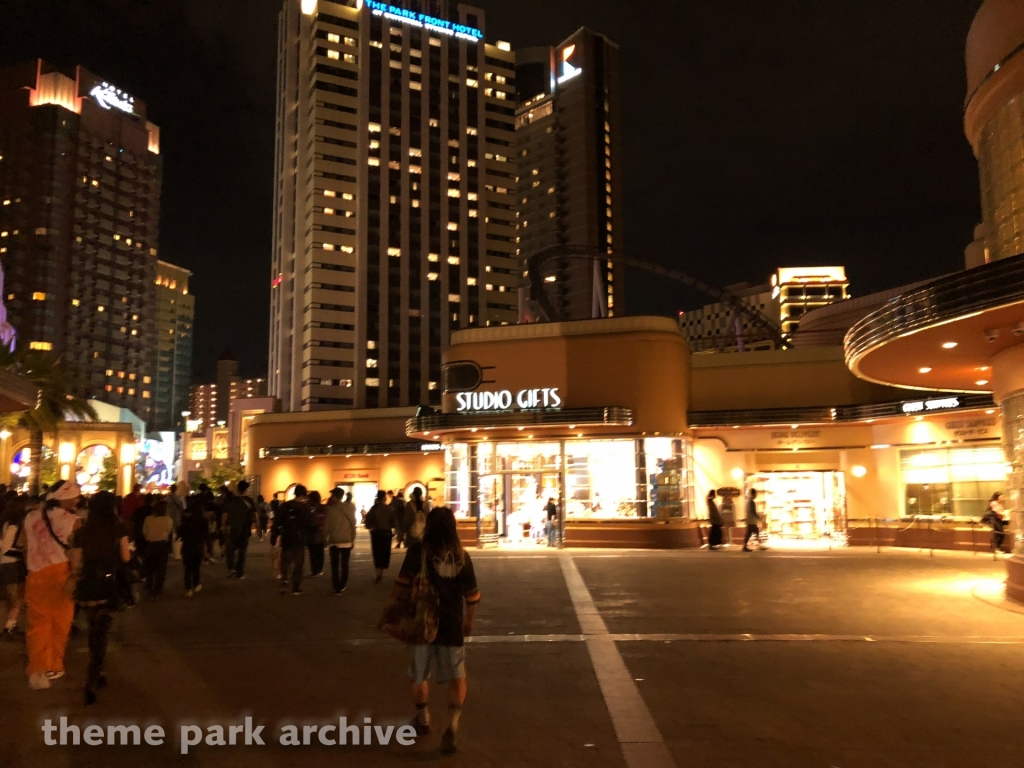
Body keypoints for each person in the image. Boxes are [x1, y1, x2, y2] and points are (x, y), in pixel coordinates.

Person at [385, 507, 481, 755]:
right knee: (457, 676)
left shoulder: (418, 552)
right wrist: (468, 620)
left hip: (421, 624)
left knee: (418, 675)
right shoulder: (461, 555)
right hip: (451, 625)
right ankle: (452, 725)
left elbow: (401, 584)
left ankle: (423, 718)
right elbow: (472, 595)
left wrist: (391, 609)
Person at [70, 491, 131, 705]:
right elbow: (125, 556)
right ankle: (93, 678)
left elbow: (76, 565)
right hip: (109, 585)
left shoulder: (82, 532)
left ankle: (98, 670)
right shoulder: (118, 527)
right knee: (102, 633)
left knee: (93, 628)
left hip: (89, 586)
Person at [19, 483, 81, 690]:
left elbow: (23, 544)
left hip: (36, 575)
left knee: (38, 624)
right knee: (61, 622)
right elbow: (77, 550)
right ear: (63, 497)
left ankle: (38, 669)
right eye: (73, 497)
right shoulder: (73, 521)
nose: (77, 500)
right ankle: (54, 664)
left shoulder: (30, 517)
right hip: (62, 574)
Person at [271, 486, 316, 595]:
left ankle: (284, 580)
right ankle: (296, 587)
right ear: (304, 494)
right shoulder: (305, 508)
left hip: (287, 537)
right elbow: (311, 524)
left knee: (285, 561)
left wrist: (274, 535)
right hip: (300, 539)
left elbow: (277, 522)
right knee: (298, 563)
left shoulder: (285, 506)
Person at [0, 496, 28, 640]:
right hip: (12, 564)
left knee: (12, 598)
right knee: (17, 598)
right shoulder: (13, 526)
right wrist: (21, 550)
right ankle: (9, 627)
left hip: (6, 563)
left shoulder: (6, 524)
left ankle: (11, 625)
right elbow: (5, 548)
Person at [222, 480, 257, 579]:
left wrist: (223, 526)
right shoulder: (249, 501)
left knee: (230, 550)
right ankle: (239, 573)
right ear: (246, 489)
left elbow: (225, 514)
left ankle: (231, 568)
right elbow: (255, 515)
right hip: (245, 529)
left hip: (233, 528)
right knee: (242, 552)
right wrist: (258, 528)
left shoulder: (232, 500)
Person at [325, 489, 357, 594]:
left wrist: (325, 538)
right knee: (344, 563)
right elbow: (353, 523)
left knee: (334, 564)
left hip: (334, 540)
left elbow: (327, 527)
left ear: (335, 496)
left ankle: (336, 586)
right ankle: (343, 583)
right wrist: (353, 538)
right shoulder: (349, 508)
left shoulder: (330, 510)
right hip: (346, 540)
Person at [141, 499, 173, 595]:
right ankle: (158, 588)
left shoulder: (148, 519)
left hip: (151, 545)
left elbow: (144, 533)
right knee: (161, 569)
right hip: (162, 545)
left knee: (150, 567)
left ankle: (149, 584)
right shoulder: (168, 520)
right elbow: (169, 531)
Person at [365, 491, 397, 583]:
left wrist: (370, 526)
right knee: (385, 552)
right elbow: (393, 521)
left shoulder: (374, 508)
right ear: (384, 498)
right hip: (386, 533)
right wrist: (394, 529)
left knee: (377, 552)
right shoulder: (389, 508)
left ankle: (378, 572)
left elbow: (368, 520)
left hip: (376, 532)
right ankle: (381, 572)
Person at [178, 499, 207, 597]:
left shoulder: (186, 520)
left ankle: (188, 588)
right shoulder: (202, 520)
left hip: (187, 546)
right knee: (196, 567)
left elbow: (179, 533)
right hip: (198, 546)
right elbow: (205, 535)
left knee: (187, 568)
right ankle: (196, 584)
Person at [307, 490, 326, 577]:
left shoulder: (309, 508)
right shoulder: (323, 508)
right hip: (321, 532)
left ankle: (314, 570)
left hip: (311, 532)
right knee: (320, 551)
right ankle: (319, 569)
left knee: (313, 552)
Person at [167, 483, 186, 560]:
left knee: (169, 533)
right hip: (177, 517)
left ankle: (170, 549)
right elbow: (183, 508)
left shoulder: (167, 498)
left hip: (168, 517)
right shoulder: (179, 498)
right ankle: (177, 549)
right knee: (177, 532)